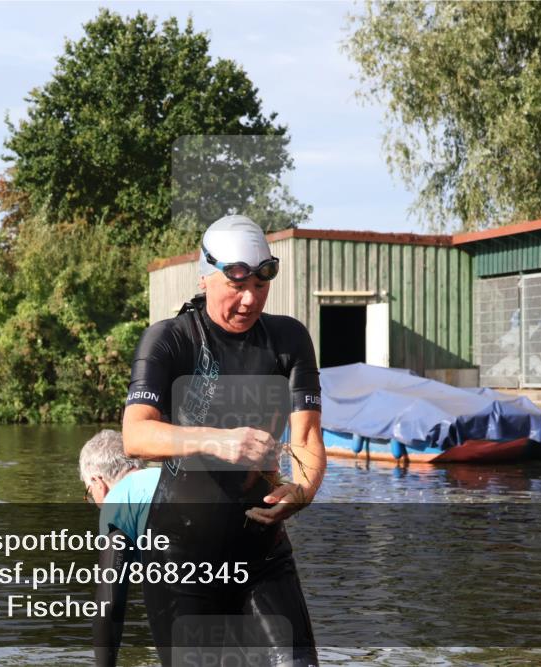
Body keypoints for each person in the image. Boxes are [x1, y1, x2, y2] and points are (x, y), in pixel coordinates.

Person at [122, 214, 326, 666]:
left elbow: (308, 435)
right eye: (237, 286)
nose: (250, 299)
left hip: (263, 554)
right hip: (181, 560)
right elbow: (135, 433)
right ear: (206, 276)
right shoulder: (169, 340)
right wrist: (215, 440)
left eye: (260, 285)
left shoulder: (289, 339)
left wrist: (305, 489)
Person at [79, 429, 160, 667]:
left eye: (88, 492)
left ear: (97, 481)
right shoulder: (167, 475)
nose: (93, 500)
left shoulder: (119, 500)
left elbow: (109, 603)